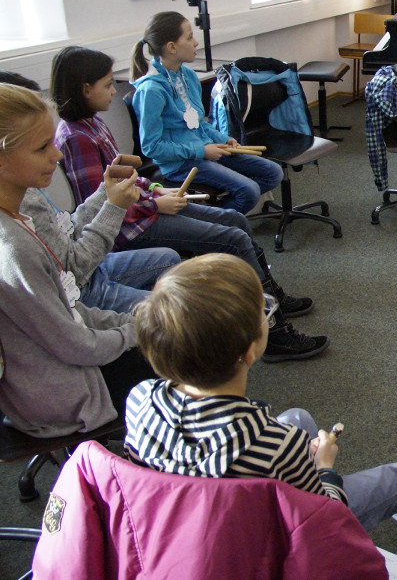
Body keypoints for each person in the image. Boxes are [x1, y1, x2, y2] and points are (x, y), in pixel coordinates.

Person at [125, 253, 397, 537]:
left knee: (298, 419)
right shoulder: (277, 446)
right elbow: (328, 517)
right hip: (264, 541)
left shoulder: (139, 398)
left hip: (185, 523)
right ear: (250, 351)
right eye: (262, 313)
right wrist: (325, 469)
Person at [51, 46, 327, 361]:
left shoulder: (93, 123)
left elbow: (128, 179)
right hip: (131, 227)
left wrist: (156, 190)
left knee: (236, 221)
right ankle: (271, 333)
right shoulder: (76, 138)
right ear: (86, 89)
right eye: (106, 85)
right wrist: (155, 205)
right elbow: (104, 206)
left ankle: (270, 295)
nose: (113, 91)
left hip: (146, 208)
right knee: (233, 238)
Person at [0, 83, 154, 438]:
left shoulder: (19, 216)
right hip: (67, 397)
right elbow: (75, 343)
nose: (56, 154)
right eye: (42, 147)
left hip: (67, 366)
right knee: (189, 353)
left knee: (172, 328)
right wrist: (139, 331)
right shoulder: (15, 246)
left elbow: (69, 311)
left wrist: (135, 322)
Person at [0, 70, 180, 315]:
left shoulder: (27, 188)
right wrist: (114, 207)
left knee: (169, 260)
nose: (56, 154)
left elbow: (68, 233)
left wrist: (106, 190)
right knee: (178, 312)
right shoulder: (22, 209)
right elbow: (75, 268)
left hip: (89, 272)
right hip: (82, 288)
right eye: (42, 147)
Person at [130, 11, 283, 214]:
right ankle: (216, 221)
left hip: (204, 149)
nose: (195, 43)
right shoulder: (151, 90)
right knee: (249, 191)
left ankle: (213, 215)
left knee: (273, 172)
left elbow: (197, 123)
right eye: (189, 37)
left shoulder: (188, 75)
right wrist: (201, 151)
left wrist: (223, 138)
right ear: (171, 47)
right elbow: (152, 148)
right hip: (180, 164)